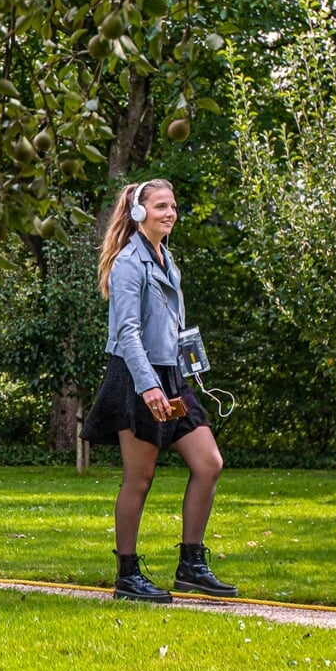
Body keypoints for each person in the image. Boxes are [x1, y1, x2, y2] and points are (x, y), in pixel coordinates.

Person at [81, 178, 238, 603]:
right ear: (138, 213)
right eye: (161, 206)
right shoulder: (129, 263)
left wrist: (190, 362)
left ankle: (191, 565)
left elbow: (173, 326)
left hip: (172, 376)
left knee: (209, 462)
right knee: (140, 477)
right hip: (136, 377)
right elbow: (127, 333)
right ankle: (127, 575)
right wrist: (148, 385)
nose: (170, 213)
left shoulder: (167, 259)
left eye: (173, 206)